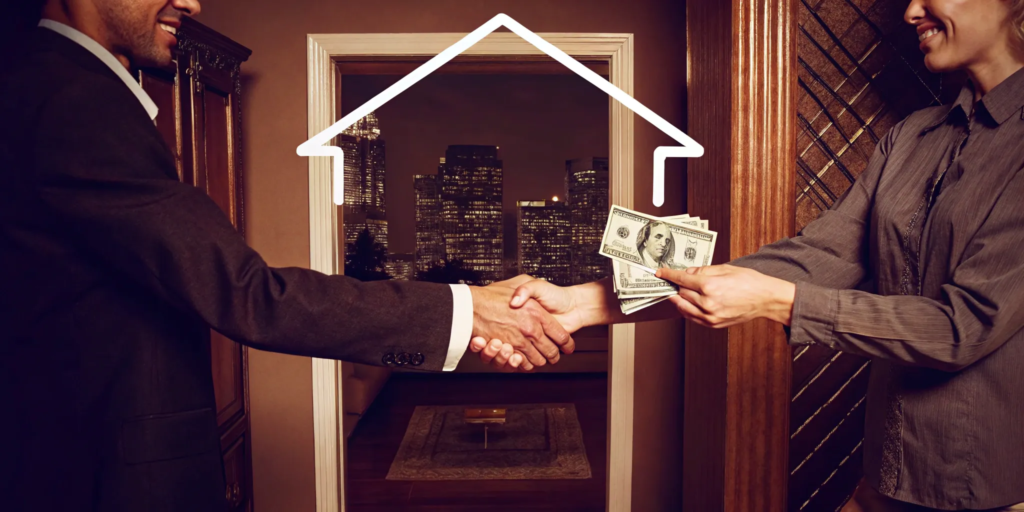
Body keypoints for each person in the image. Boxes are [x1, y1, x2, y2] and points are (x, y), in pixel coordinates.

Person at [0, 0, 573, 510]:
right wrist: (471, 308)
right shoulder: (69, 98)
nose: (192, 3)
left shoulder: (57, 88)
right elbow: (249, 294)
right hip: (101, 475)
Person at [479, 0, 1024, 509]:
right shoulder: (910, 138)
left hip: (988, 492)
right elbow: (817, 256)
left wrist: (779, 301)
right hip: (886, 473)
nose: (911, 10)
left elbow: (961, 328)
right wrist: (588, 304)